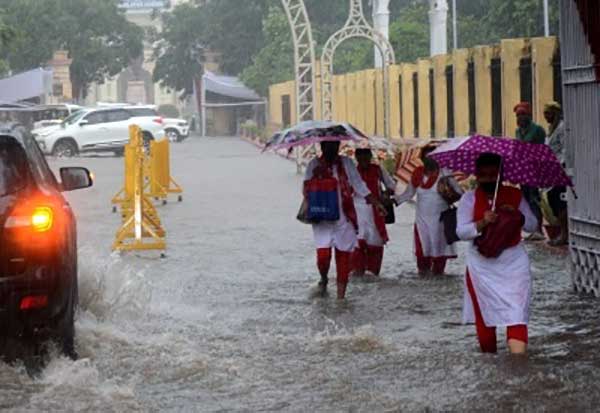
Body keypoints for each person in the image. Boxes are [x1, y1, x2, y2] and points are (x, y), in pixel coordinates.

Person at [457, 153, 538, 355]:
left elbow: (533, 225)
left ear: (500, 175)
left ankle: (518, 367)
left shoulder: (515, 195)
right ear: (476, 176)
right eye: (483, 175)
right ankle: (490, 366)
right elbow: (461, 231)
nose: (488, 179)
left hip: (513, 263)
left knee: (517, 313)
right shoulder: (469, 199)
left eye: (493, 174)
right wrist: (482, 222)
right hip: (481, 267)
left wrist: (517, 215)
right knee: (485, 318)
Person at [304, 141, 385, 299]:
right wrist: (319, 179)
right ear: (322, 146)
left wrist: (376, 202)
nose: (331, 149)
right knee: (323, 257)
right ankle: (324, 277)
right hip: (322, 219)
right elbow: (305, 189)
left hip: (344, 218)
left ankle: (341, 298)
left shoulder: (346, 163)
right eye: (327, 146)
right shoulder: (313, 164)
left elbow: (359, 185)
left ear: (338, 146)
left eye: (335, 145)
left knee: (343, 256)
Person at [395, 146, 462, 276]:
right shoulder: (417, 174)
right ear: (422, 159)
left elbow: (459, 192)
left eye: (432, 156)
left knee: (439, 252)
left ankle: (438, 281)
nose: (429, 159)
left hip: (440, 220)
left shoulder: (445, 173)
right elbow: (408, 194)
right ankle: (424, 282)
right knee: (422, 253)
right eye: (426, 157)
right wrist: (394, 201)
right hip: (422, 220)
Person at [352, 147, 396, 277]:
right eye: (360, 155)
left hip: (375, 212)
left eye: (366, 155)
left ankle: (373, 273)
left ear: (370, 156)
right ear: (357, 157)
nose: (364, 158)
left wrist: (386, 194)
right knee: (357, 246)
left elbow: (391, 185)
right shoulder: (352, 171)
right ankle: (357, 272)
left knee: (375, 245)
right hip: (357, 212)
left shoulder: (378, 170)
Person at [514, 102, 546, 240]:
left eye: (522, 114)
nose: (520, 117)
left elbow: (541, 149)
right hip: (522, 169)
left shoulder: (538, 130)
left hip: (535, 168)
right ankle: (531, 227)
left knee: (534, 198)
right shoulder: (517, 131)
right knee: (525, 199)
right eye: (518, 115)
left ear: (529, 115)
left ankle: (539, 228)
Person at [544, 101, 569, 246]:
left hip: (560, 169)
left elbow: (565, 148)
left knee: (559, 201)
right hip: (551, 170)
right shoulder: (551, 129)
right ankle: (562, 231)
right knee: (552, 200)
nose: (546, 117)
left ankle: (565, 233)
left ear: (555, 113)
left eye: (548, 113)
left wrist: (560, 164)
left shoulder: (562, 128)